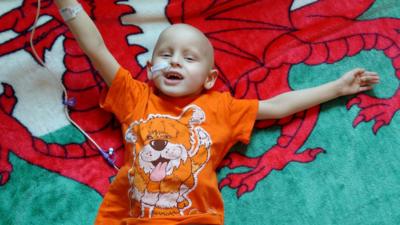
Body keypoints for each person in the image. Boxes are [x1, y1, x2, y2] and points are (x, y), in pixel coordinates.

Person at [54, 0, 380, 224]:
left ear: (210, 79)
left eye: (189, 58)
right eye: (166, 55)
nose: (176, 61)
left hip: (195, 217)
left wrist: (336, 88)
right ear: (151, 68)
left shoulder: (221, 107)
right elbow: (95, 48)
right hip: (128, 216)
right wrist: (65, 4)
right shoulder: (134, 96)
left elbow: (277, 106)